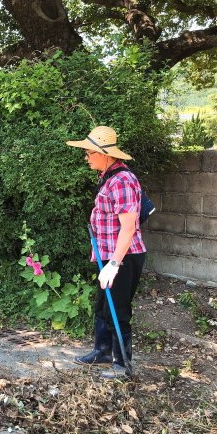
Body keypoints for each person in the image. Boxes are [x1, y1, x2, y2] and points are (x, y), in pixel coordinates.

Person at [66, 126, 146, 380]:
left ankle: (123, 366)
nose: (86, 157)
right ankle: (102, 352)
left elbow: (128, 227)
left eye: (89, 152)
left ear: (105, 154)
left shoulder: (122, 180)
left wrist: (113, 263)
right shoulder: (108, 177)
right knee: (103, 306)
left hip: (122, 257)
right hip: (107, 255)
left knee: (117, 309)